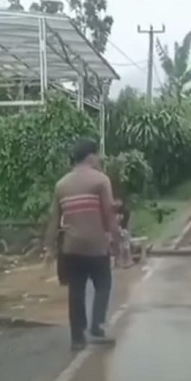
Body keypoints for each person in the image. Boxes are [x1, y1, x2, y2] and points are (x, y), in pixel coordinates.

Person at [44, 138, 117, 351]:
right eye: (98, 155)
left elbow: (53, 221)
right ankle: (97, 328)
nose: (99, 159)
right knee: (103, 285)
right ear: (90, 156)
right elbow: (109, 215)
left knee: (76, 291)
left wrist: (49, 248)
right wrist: (118, 241)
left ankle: (77, 338)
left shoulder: (61, 185)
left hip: (71, 248)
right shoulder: (101, 180)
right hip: (96, 246)